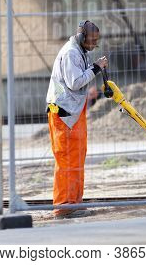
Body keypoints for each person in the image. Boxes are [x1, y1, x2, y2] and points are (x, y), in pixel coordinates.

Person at [46, 20, 108, 219]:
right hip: (64, 113)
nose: (94, 44)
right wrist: (97, 68)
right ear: (82, 38)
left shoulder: (80, 51)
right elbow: (74, 82)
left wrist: (93, 71)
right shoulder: (71, 52)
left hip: (72, 112)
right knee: (66, 159)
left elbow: (79, 78)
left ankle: (74, 202)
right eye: (92, 40)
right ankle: (64, 205)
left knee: (76, 157)